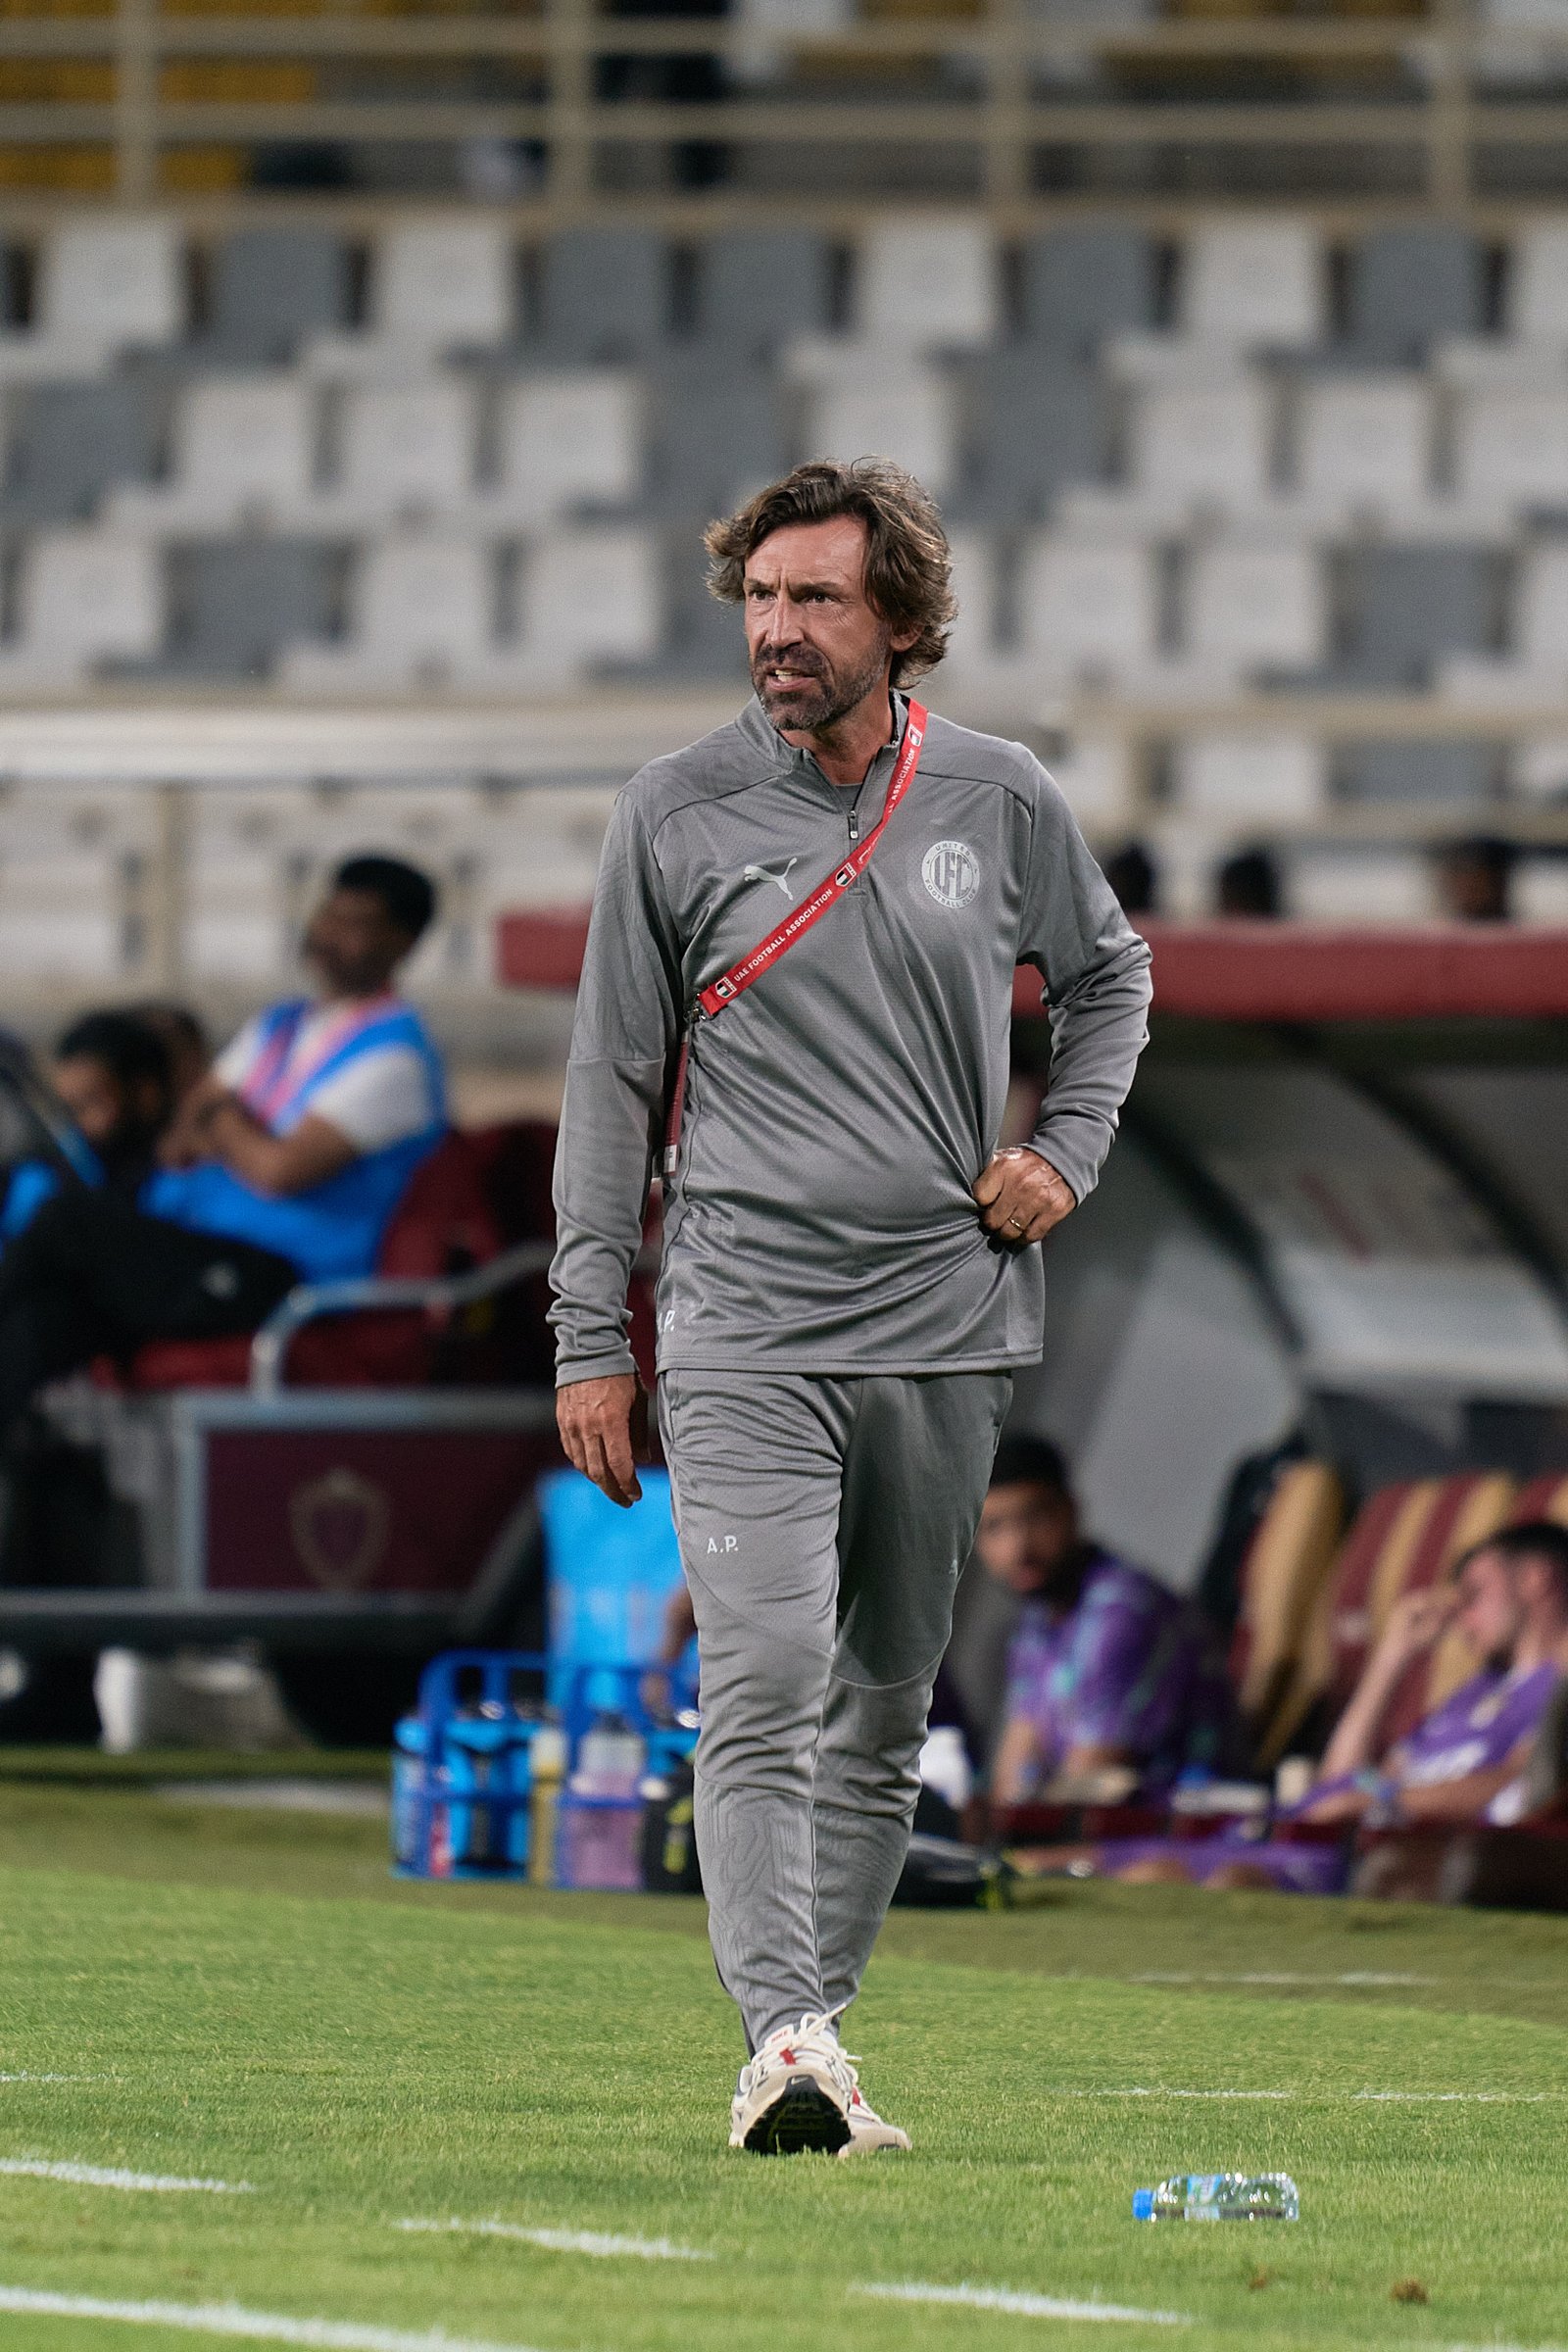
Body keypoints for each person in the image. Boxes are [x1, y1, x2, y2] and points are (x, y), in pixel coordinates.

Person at [549, 457, 1152, 2156]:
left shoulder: (997, 795)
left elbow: (1110, 980)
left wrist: (1065, 1154)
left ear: (900, 617)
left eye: (815, 597)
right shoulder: (672, 811)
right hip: (743, 1323)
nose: (779, 629)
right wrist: (592, 1336)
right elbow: (609, 1083)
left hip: (948, 1322)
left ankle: (814, 2040)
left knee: (885, 1704)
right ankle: (787, 2039)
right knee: (763, 1672)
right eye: (760, 597)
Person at [0, 855, 446, 1439]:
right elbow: (180, 1139)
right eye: (328, 914)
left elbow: (278, 1171)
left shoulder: (395, 1058)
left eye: (356, 922)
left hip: (283, 1278)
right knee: (45, 1320)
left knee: (66, 1223)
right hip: (200, 1248)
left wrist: (223, 1117)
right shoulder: (279, 1026)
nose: (330, 934)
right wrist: (231, 1128)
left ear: (402, 942)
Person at [1090, 1522, 1568, 1897]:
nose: (1461, 1614)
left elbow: (1526, 1780)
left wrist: (1382, 1801)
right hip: (1303, 1830)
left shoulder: (1556, 1685)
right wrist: (1391, 1658)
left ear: (1536, 1577)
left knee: (1188, 1880)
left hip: (1371, 1854)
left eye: (1474, 1593)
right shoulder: (1475, 1692)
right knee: (1085, 1861)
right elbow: (1341, 1777)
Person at [986, 1443, 1236, 1804]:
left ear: (1071, 1510)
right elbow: (1014, 1773)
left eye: (1035, 1518)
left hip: (1185, 1826)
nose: (1017, 1548)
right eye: (994, 1527)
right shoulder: (1036, 1623)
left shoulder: (1121, 1611)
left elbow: (1084, 1788)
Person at [1, 1010, 178, 1244]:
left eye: (91, 1103)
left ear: (146, 1095)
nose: (75, 1125)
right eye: (69, 1109)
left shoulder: (185, 1180)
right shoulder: (42, 1181)